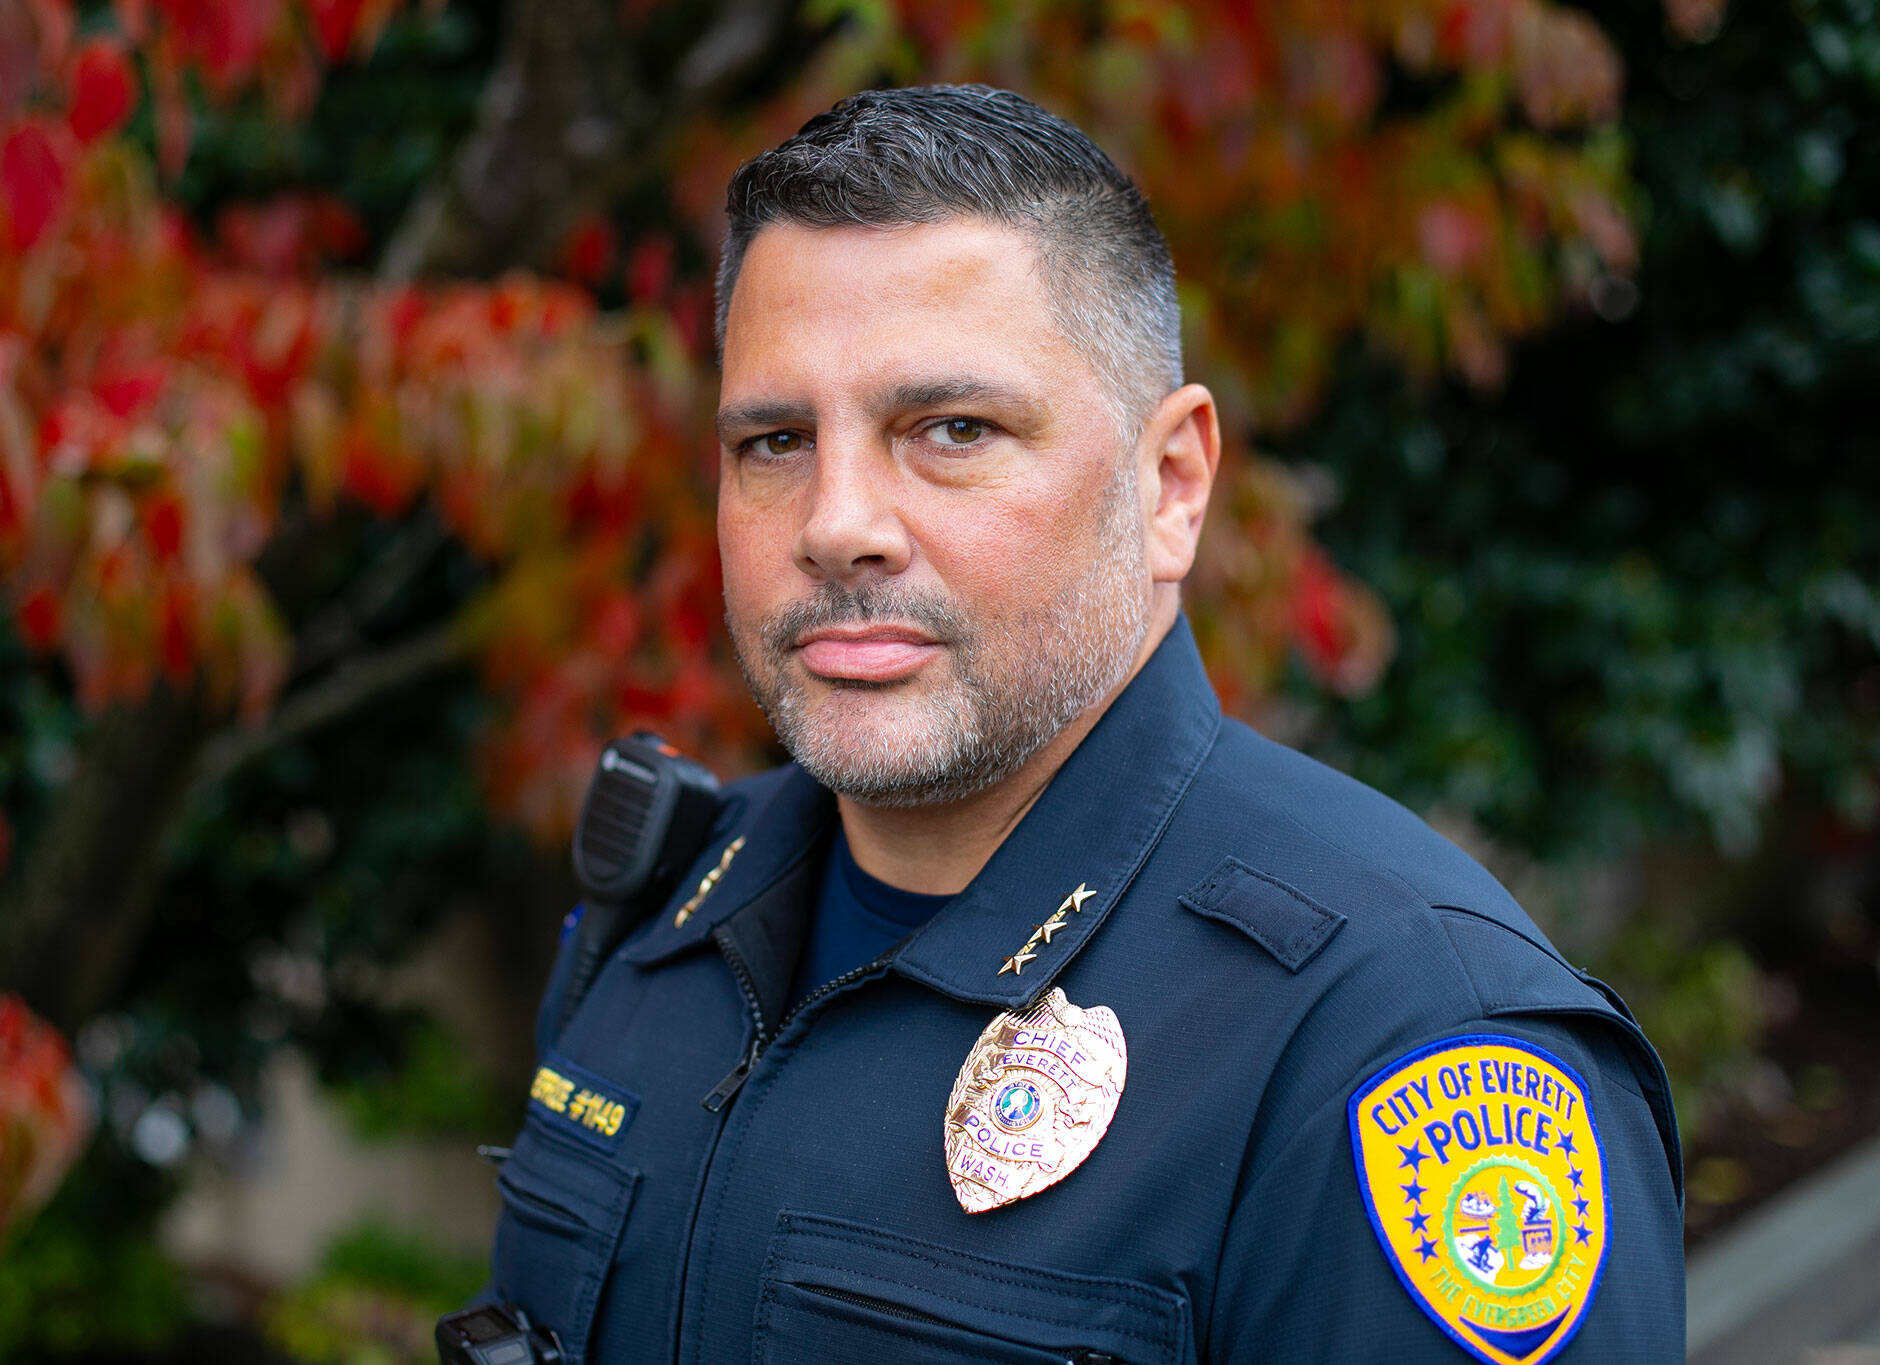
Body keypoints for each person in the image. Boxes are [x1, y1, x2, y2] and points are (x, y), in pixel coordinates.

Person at [483, 84, 1684, 1365]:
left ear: (1170, 486)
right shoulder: (673, 914)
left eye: (951, 430)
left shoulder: (1395, 1039)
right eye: (774, 441)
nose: (836, 522)